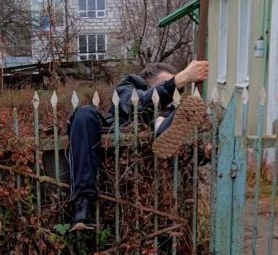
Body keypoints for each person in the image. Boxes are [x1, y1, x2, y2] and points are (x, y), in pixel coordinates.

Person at [67, 59, 210, 231]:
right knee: (84, 113)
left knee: (166, 118)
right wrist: (179, 80)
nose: (171, 95)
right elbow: (137, 105)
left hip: (144, 184)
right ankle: (83, 204)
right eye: (166, 85)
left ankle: (159, 125)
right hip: (108, 154)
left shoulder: (173, 113)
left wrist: (204, 154)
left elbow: (182, 155)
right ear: (147, 83)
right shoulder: (129, 86)